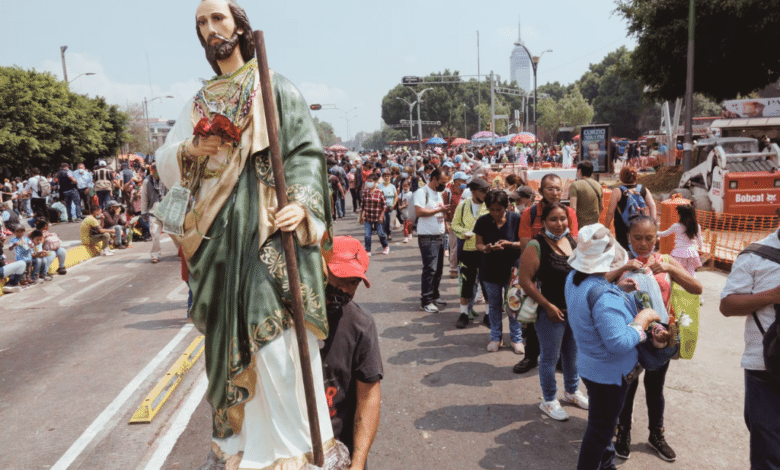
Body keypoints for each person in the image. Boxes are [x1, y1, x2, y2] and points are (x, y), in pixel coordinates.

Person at [154, 1, 338, 467]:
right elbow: (166, 161)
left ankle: (294, 448)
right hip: (217, 242)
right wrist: (194, 147)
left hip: (266, 232)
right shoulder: (198, 101)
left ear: (239, 25)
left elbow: (305, 155)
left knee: (275, 344)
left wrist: (299, 202)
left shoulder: (274, 86)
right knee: (225, 340)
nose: (210, 28)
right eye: (201, 22)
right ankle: (242, 447)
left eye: (217, 17)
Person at [566, 224, 663, 470]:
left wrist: (619, 290)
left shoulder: (575, 280)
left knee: (601, 425)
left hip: (590, 366)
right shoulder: (602, 296)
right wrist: (643, 321)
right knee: (599, 433)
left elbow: (591, 306)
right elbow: (619, 343)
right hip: (610, 376)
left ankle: (607, 465)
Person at [605, 215, 702, 462]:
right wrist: (622, 272)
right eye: (637, 238)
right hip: (631, 335)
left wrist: (670, 269)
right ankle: (623, 432)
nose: (644, 243)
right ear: (628, 237)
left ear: (657, 238)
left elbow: (697, 288)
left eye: (649, 238)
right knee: (628, 385)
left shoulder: (665, 261)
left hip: (662, 335)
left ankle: (656, 434)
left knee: (655, 387)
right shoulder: (622, 262)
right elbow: (600, 290)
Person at [518, 201, 588, 420]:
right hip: (549, 313)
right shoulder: (535, 246)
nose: (559, 224)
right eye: (553, 219)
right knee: (549, 358)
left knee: (572, 355)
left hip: (573, 312)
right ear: (543, 222)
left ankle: (571, 391)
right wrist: (547, 306)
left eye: (563, 219)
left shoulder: (571, 241)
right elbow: (525, 281)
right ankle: (548, 400)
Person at [720, 219, 780, 470]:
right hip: (764, 370)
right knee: (768, 455)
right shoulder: (756, 255)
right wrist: (772, 296)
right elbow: (727, 305)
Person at [321, 236, 383, 468]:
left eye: (354, 282)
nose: (346, 289)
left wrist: (357, 463)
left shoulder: (361, 325)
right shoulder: (285, 318)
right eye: (342, 277)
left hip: (337, 452)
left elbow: (368, 398)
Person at [514, 174, 580, 374]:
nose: (555, 192)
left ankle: (561, 359)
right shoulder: (529, 213)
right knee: (535, 317)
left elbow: (572, 242)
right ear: (541, 191)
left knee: (563, 318)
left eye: (558, 188)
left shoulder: (569, 212)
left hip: (562, 271)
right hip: (537, 272)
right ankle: (531, 356)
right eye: (550, 188)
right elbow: (526, 244)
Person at [474, 190, 524, 353]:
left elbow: (526, 242)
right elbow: (478, 244)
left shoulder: (516, 219)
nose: (495, 213)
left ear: (507, 206)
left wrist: (511, 244)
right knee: (494, 305)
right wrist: (486, 248)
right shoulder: (482, 221)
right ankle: (496, 337)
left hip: (513, 270)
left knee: (514, 305)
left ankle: (516, 338)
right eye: (492, 209)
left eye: (499, 209)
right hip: (490, 270)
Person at [451, 177, 490, 329]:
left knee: (486, 282)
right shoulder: (463, 205)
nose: (486, 193)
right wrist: (463, 232)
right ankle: (463, 313)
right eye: (482, 191)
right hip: (467, 249)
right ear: (473, 192)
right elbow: (455, 224)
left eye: (487, 190)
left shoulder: (489, 205)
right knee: (466, 282)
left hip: (485, 250)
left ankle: (487, 314)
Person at [415, 167, 450, 313]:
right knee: (430, 269)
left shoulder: (438, 193)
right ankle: (426, 300)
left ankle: (434, 296)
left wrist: (446, 224)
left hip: (440, 235)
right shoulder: (422, 192)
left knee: (439, 270)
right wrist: (440, 210)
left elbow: (440, 211)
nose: (444, 186)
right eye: (442, 182)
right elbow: (419, 212)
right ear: (434, 179)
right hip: (427, 237)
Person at [605, 166, 657, 251]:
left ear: (621, 177)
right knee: (640, 248)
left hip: (622, 227)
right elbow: (652, 206)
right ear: (636, 177)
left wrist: (606, 227)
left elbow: (610, 212)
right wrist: (652, 223)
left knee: (624, 250)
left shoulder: (618, 191)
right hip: (641, 226)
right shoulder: (644, 190)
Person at [657, 204, 702, 276]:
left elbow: (664, 234)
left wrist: (654, 233)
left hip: (678, 253)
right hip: (692, 253)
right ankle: (691, 286)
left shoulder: (676, 226)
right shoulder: (697, 226)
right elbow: (699, 238)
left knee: (678, 273)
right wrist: (700, 246)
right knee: (691, 274)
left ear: (681, 215)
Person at [140, 163, 167, 263]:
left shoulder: (166, 179)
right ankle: (155, 255)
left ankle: (181, 250)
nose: (156, 172)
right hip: (153, 212)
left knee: (175, 234)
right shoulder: (147, 181)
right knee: (155, 234)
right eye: (154, 170)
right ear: (151, 171)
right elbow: (144, 198)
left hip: (166, 211)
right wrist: (143, 213)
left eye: (157, 170)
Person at [443, 171, 468, 279]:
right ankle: (453, 268)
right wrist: (445, 223)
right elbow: (444, 208)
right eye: (463, 180)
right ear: (457, 181)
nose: (465, 182)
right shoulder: (448, 192)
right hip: (453, 222)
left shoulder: (466, 192)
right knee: (454, 247)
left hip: (465, 223)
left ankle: (462, 267)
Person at [360, 174, 389, 256]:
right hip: (367, 217)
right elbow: (362, 205)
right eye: (368, 181)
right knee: (367, 235)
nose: (369, 183)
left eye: (371, 181)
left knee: (381, 234)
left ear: (375, 182)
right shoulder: (365, 192)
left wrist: (382, 215)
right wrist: (360, 217)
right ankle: (368, 250)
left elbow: (384, 205)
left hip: (377, 217)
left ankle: (385, 246)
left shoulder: (380, 192)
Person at [569, 161, 603, 227]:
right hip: (595, 225)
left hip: (581, 226)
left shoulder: (575, 185)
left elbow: (573, 208)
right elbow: (601, 207)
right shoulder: (598, 185)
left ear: (579, 171)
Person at [378, 170, 397, 241]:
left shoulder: (392, 186)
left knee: (389, 221)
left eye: (388, 176)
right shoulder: (379, 186)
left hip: (390, 206)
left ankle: (388, 234)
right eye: (385, 176)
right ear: (382, 177)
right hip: (382, 207)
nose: (386, 178)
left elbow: (396, 196)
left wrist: (394, 204)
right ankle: (383, 234)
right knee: (383, 221)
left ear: (390, 177)